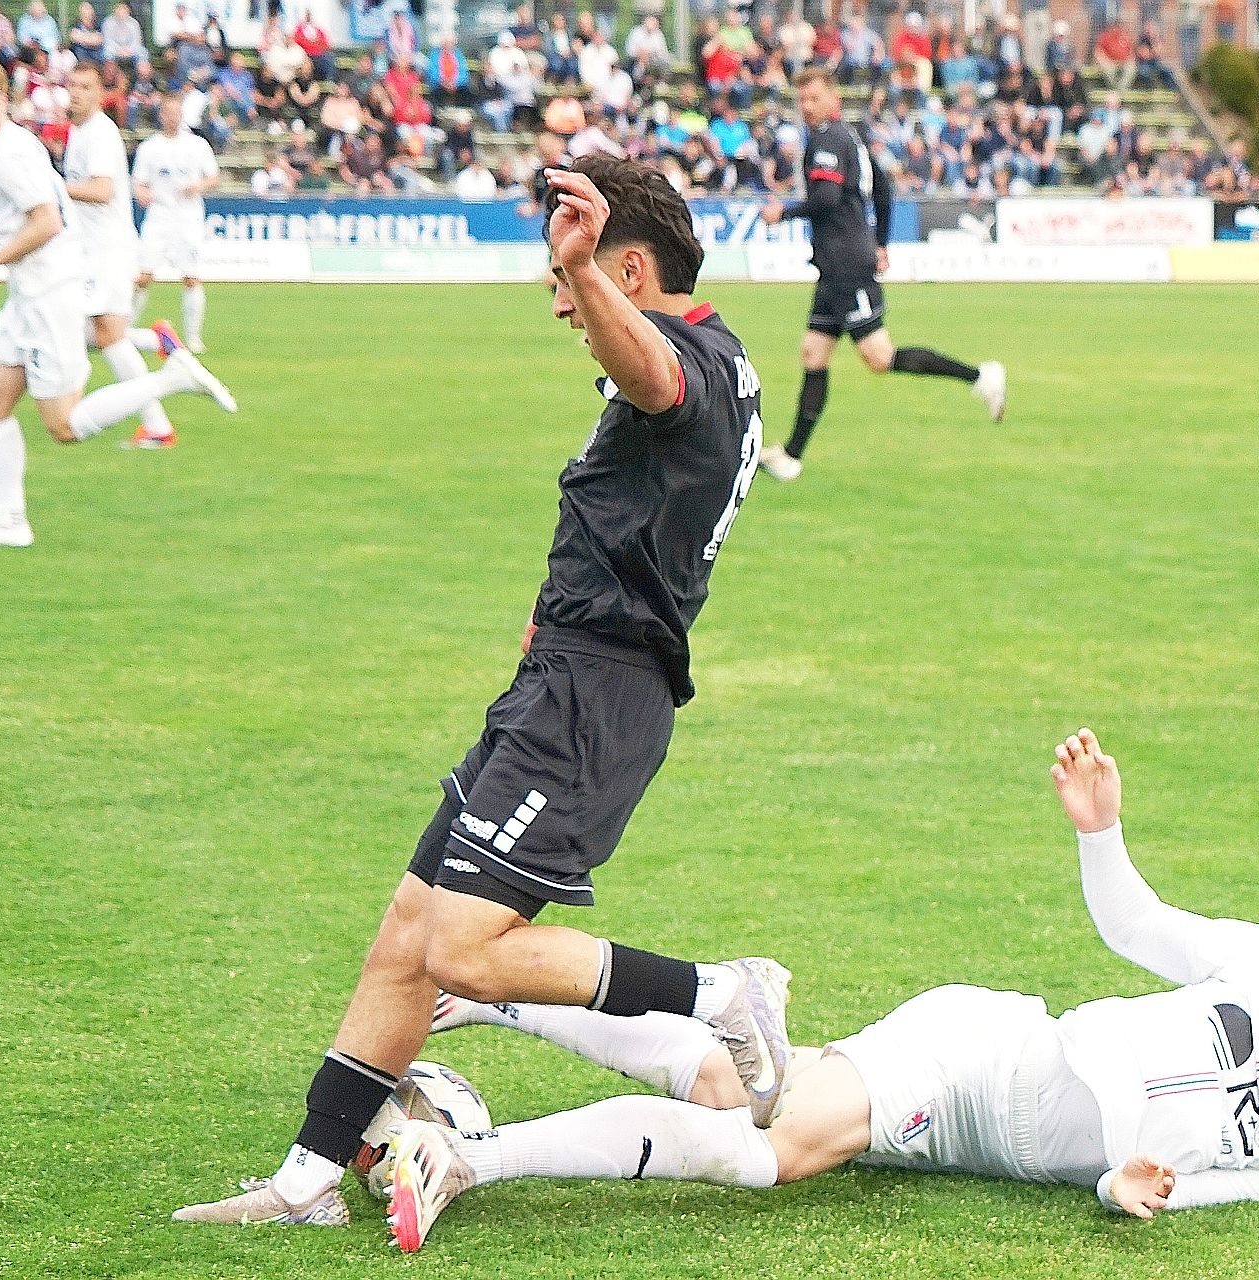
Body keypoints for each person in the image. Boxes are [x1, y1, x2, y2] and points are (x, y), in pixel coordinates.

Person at [172, 154, 786, 1245]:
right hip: (559, 679)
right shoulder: (720, 359)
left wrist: (581, 269)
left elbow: (653, 374)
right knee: (410, 931)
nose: (560, 305)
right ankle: (308, 1177)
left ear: (628, 269)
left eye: (572, 281)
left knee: (461, 948)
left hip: (595, 696)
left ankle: (720, 993)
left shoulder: (689, 358)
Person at [387, 730, 1259, 1248]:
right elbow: (1137, 925)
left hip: (985, 1148)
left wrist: (1126, 1189)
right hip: (988, 1056)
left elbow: (1196, 1193)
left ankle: (500, 996)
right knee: (773, 1153)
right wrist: (1102, 833)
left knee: (741, 1092)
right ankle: (472, 1157)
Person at [0, 57, 234, 548]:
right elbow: (41, 204)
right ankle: (10, 523)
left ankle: (171, 379)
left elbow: (47, 221)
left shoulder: (8, 151)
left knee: (64, 424)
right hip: (29, 293)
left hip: (49, 293)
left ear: (3, 101)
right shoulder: (4, 145)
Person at [757, 67, 1004, 483]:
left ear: (833, 100)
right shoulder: (851, 138)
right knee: (814, 353)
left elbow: (826, 198)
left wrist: (783, 212)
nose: (807, 106)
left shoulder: (827, 139)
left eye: (814, 98)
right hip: (836, 266)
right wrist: (882, 242)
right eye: (802, 100)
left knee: (879, 357)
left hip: (847, 267)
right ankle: (792, 457)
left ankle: (981, 377)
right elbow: (885, 188)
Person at [62, 59, 179, 449]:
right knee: (84, 333)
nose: (76, 93)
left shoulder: (99, 133)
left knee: (107, 337)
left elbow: (102, 190)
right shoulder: (79, 132)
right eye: (72, 85)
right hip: (90, 251)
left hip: (107, 251)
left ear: (100, 94)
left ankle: (157, 425)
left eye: (85, 87)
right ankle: (155, 341)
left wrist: (54, 187)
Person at [129, 91, 220, 354]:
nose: (172, 117)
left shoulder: (197, 145)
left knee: (190, 277)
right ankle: (125, 331)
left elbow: (213, 177)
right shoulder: (150, 147)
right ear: (161, 115)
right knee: (142, 276)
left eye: (176, 113)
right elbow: (138, 182)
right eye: (167, 113)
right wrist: (142, 194)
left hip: (188, 218)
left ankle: (193, 338)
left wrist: (197, 186)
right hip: (159, 217)